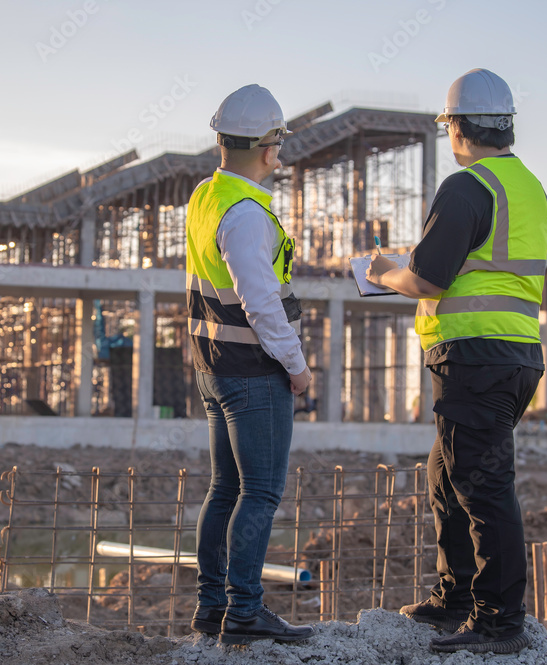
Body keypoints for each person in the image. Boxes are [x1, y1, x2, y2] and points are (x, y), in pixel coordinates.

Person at [366, 69, 547, 655]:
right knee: (447, 475)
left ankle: (498, 622)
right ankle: (456, 598)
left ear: (457, 127)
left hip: (476, 357)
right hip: (515, 355)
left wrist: (381, 273)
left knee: (482, 485)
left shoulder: (468, 186)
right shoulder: (528, 187)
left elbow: (426, 277)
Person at [185, 84, 315, 645]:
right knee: (259, 492)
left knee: (224, 490)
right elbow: (260, 302)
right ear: (268, 148)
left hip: (213, 366)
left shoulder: (205, 196)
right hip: (252, 372)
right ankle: (244, 613)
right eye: (279, 143)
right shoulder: (246, 215)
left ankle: (212, 608)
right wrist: (297, 364)